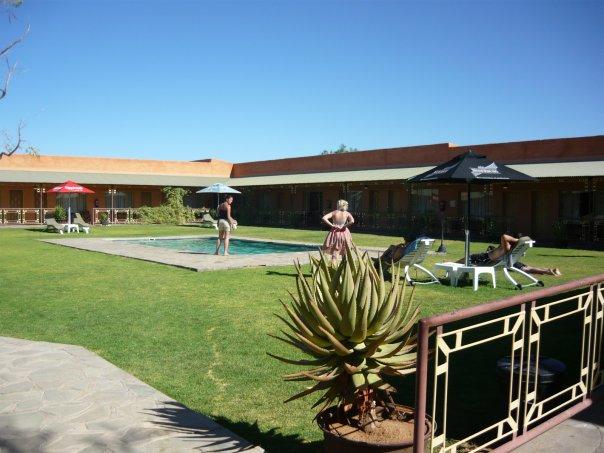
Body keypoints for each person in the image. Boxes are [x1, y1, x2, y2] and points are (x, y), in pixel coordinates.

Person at [459, 234, 562, 276]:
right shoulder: (512, 251)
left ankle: (452, 265)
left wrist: (516, 240)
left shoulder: (505, 248)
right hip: (509, 260)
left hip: (485, 259)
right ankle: (548, 271)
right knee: (526, 268)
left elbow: (504, 236)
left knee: (466, 260)